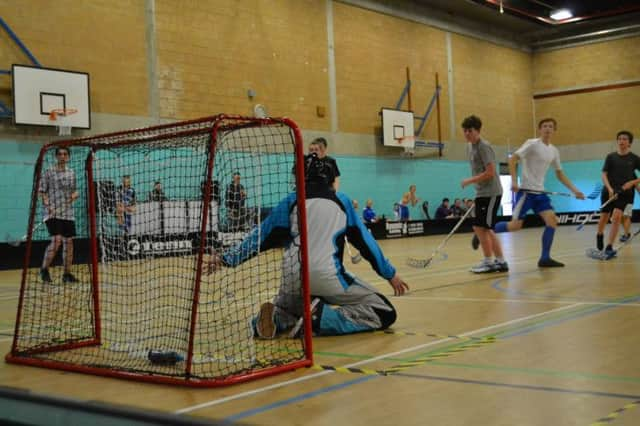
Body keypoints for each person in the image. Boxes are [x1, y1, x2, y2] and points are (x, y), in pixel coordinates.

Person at [206, 153, 408, 338]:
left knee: (293, 308)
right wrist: (390, 274)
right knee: (383, 311)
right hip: (328, 278)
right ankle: (319, 319)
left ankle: (278, 318)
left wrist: (225, 258)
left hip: (292, 278)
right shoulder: (342, 201)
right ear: (330, 179)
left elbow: (259, 237)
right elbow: (367, 244)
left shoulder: (291, 201)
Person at [493, 118, 585, 267]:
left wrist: (576, 191)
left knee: (552, 221)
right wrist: (514, 181)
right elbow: (512, 159)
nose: (547, 129)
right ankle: (488, 231)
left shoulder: (554, 151)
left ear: (554, 130)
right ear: (540, 129)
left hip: (540, 194)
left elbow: (560, 174)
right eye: (544, 126)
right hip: (526, 193)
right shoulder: (532, 144)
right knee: (515, 226)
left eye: (550, 126)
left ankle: (545, 258)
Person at [460, 115, 508, 273]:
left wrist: (470, 181)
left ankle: (491, 261)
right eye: (465, 131)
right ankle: (498, 261)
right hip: (482, 193)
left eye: (470, 130)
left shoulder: (483, 147)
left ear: (478, 131)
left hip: (491, 193)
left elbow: (490, 172)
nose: (467, 134)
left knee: (482, 228)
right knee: (483, 228)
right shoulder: (470, 147)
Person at [594, 131, 640, 258]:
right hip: (609, 191)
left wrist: (633, 182)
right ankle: (599, 234)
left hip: (625, 193)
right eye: (619, 139)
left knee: (617, 217)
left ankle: (609, 246)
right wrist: (609, 189)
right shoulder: (611, 157)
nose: (621, 141)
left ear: (629, 142)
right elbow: (604, 174)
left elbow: (636, 179)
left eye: (624, 139)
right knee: (604, 217)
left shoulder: (635, 159)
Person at [39, 147, 79, 283]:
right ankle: (44, 269)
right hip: (52, 212)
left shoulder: (71, 173)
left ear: (68, 157)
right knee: (56, 241)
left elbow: (74, 191)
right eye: (60, 154)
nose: (62, 156)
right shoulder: (49, 172)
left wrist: (74, 195)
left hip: (67, 213)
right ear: (56, 156)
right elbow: (42, 192)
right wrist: (48, 205)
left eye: (65, 154)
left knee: (69, 243)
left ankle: (67, 274)